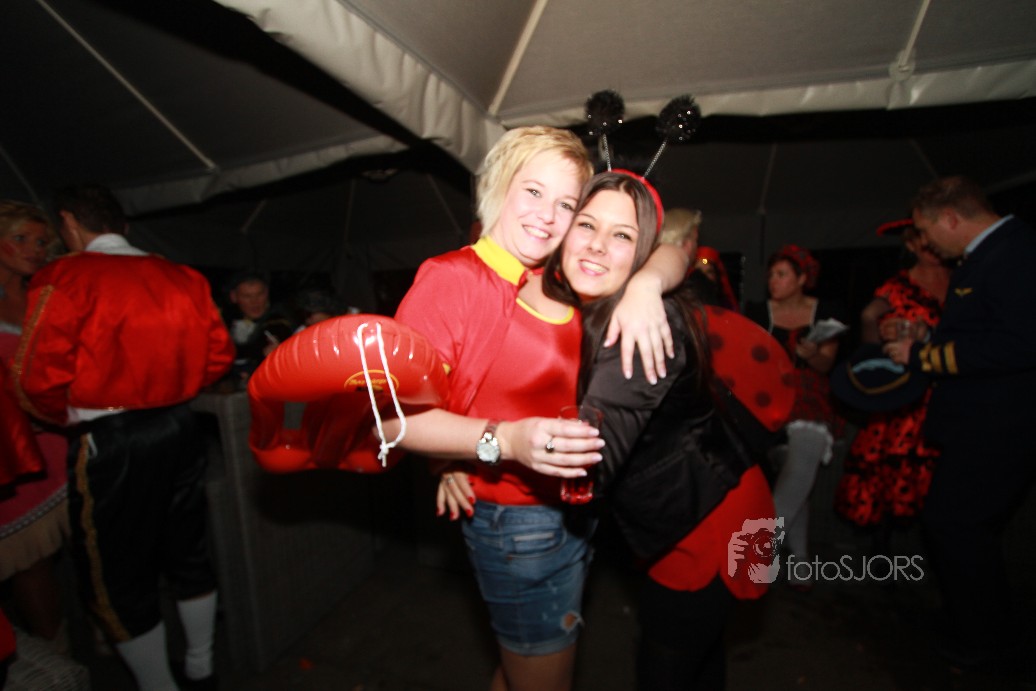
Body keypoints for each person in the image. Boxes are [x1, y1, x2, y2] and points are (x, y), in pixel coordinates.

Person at [389, 126, 688, 691]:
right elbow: (392, 419)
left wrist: (647, 284)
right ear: (500, 186)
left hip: (572, 511)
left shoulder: (556, 277)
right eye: (533, 191)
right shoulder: (453, 278)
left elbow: (678, 247)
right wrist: (493, 444)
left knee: (520, 668)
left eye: (566, 204)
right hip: (517, 524)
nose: (548, 216)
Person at [539, 171, 775, 690]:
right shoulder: (604, 301)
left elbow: (591, 464)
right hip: (703, 502)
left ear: (641, 252)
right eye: (587, 225)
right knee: (701, 658)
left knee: (666, 668)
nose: (598, 245)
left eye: (622, 235)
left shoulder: (639, 328)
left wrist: (483, 442)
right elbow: (675, 255)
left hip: (710, 520)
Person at [14, 183, 235, 690]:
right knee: (187, 550)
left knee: (116, 574)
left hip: (111, 438)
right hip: (180, 426)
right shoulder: (183, 277)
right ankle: (201, 669)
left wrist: (69, 416)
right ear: (124, 226)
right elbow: (218, 357)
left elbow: (33, 380)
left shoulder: (64, 277)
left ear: (69, 222)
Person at [884, 176, 1036, 670]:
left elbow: (1019, 343)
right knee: (961, 527)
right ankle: (973, 623)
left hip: (1001, 425)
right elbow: (983, 331)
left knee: (957, 525)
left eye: (928, 231)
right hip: (982, 423)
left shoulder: (1014, 253)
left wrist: (925, 356)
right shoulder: (990, 255)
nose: (927, 243)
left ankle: (989, 641)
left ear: (951, 218)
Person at [835, 219, 949, 548]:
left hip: (947, 387)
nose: (930, 249)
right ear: (911, 246)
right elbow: (869, 328)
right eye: (921, 242)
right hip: (906, 391)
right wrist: (881, 330)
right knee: (889, 469)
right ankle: (882, 549)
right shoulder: (897, 287)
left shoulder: (962, 281)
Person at [745, 245, 845, 590]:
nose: (773, 281)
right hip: (770, 401)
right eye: (771, 275)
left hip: (810, 400)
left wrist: (812, 354)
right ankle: (800, 562)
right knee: (796, 477)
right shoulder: (759, 312)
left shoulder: (825, 312)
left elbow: (826, 364)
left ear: (802, 279)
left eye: (782, 274)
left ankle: (758, 556)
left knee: (798, 471)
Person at [0, 201, 70, 652]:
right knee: (30, 561)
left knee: (85, 544)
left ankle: (108, 634)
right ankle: (56, 655)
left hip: (62, 443)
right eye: (21, 238)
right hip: (16, 455)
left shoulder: (42, 294)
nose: (34, 249)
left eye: (42, 242)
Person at [223, 270, 295, 385]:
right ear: (234, 297)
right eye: (247, 296)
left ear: (267, 293)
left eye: (260, 294)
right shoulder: (224, 321)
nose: (254, 301)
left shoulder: (278, 319)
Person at [659, 206, 726, 308]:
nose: (696, 247)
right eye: (696, 240)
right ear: (687, 243)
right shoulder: (695, 285)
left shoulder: (650, 272)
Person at [694, 245, 739, 311]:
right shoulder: (685, 303)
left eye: (709, 272)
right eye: (699, 272)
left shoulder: (725, 304)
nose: (704, 277)